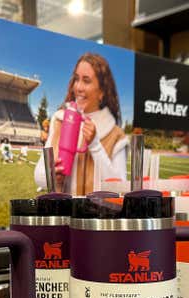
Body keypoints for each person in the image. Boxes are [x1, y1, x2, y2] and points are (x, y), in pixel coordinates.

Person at [34, 52, 127, 195]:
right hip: (67, 215)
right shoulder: (60, 120)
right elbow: (39, 176)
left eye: (86, 81)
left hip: (99, 216)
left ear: (102, 91)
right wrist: (53, 177)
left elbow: (120, 189)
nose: (78, 87)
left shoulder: (116, 136)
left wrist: (95, 145)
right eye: (76, 79)